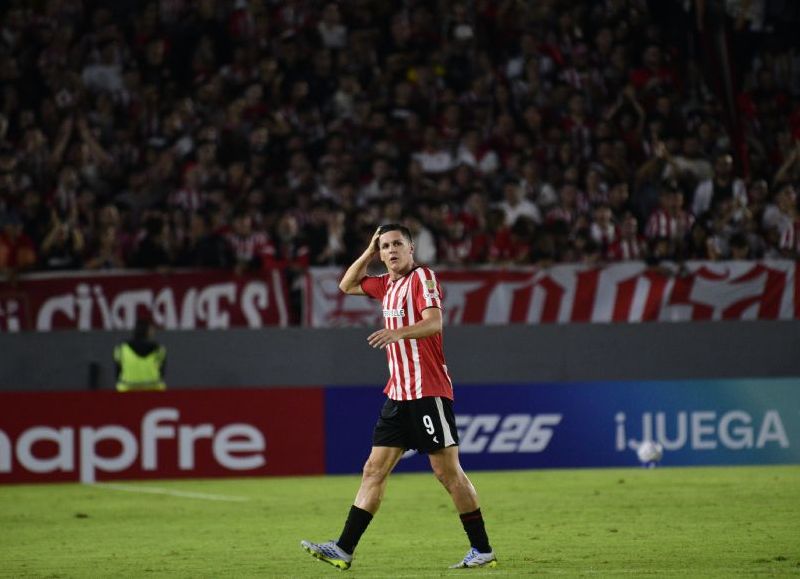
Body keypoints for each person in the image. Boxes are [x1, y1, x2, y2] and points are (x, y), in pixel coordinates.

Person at [300, 224, 497, 570]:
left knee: (447, 473)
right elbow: (346, 285)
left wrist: (398, 333)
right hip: (398, 394)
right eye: (385, 246)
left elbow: (434, 323)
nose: (391, 251)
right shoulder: (385, 285)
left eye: (397, 244)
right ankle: (343, 549)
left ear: (411, 249)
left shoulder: (422, 278)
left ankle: (482, 550)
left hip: (427, 392)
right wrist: (368, 250)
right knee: (373, 470)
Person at [113, 317, 167, 392]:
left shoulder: (121, 348)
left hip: (126, 391)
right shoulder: (159, 349)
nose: (153, 331)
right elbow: (161, 373)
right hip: (154, 391)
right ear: (148, 331)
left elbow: (118, 371)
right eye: (152, 329)